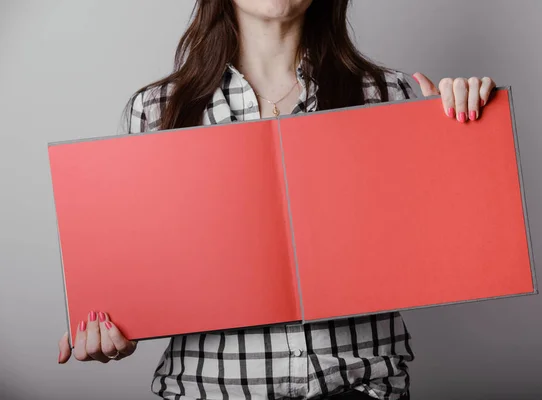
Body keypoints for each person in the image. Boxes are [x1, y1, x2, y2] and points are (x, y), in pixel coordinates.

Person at [57, 1, 496, 399]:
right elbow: (140, 280)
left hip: (359, 386)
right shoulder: (157, 110)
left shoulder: (387, 94)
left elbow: (448, 248)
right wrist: (111, 325)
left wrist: (461, 141)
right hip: (211, 388)